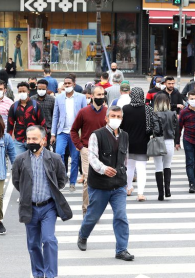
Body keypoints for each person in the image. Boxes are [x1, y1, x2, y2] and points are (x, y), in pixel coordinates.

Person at [12, 125, 72, 278]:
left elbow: (61, 179)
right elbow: (16, 181)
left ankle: (51, 275)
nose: (31, 141)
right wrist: (26, 192)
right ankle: (38, 273)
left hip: (48, 208)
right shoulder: (20, 160)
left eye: (35, 139)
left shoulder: (55, 158)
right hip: (29, 207)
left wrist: (52, 191)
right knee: (33, 244)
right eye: (29, 139)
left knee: (49, 240)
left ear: (43, 140)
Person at [77, 105, 134, 261]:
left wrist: (128, 180)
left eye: (119, 116)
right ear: (106, 118)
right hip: (100, 185)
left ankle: (121, 250)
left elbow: (126, 158)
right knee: (93, 216)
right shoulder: (97, 135)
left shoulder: (125, 136)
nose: (116, 119)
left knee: (121, 217)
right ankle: (83, 235)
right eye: (113, 116)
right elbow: (92, 158)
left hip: (119, 185)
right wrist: (103, 169)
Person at [71, 86, 107, 215]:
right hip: (87, 150)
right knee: (87, 179)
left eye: (102, 94)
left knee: (101, 180)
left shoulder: (107, 112)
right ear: (91, 96)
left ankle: (96, 209)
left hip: (103, 151)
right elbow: (74, 130)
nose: (101, 97)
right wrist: (80, 146)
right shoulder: (83, 112)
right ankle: (86, 209)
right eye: (98, 95)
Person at [51, 76, 87, 192]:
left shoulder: (81, 97)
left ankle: (72, 182)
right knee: (59, 154)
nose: (67, 85)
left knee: (75, 158)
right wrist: (53, 134)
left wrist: (84, 134)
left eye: (69, 83)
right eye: (65, 83)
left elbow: (85, 117)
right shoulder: (59, 98)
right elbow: (55, 116)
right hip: (62, 131)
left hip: (75, 133)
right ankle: (62, 177)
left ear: (74, 84)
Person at [121, 87, 158, 201]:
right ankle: (140, 193)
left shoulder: (125, 109)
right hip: (143, 143)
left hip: (128, 143)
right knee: (141, 169)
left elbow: (121, 126)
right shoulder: (148, 109)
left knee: (129, 167)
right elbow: (152, 127)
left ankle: (128, 188)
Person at [8, 82, 46, 155]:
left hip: (34, 139)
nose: (22, 93)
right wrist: (9, 140)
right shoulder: (14, 106)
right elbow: (10, 124)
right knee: (20, 162)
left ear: (28, 91)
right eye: (20, 91)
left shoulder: (36, 105)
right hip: (19, 141)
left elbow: (42, 123)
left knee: (34, 162)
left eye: (24, 91)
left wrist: (44, 138)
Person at [153, 93, 178, 201]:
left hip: (158, 141)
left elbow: (157, 130)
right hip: (170, 141)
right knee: (167, 165)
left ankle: (160, 193)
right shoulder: (173, 113)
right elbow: (176, 127)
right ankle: (167, 190)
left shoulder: (155, 114)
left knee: (158, 167)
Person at [31, 79, 55, 149]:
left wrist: (52, 131)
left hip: (47, 131)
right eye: (39, 89)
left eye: (43, 89)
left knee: (45, 150)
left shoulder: (52, 100)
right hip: (35, 129)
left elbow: (54, 116)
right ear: (36, 88)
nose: (41, 90)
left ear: (46, 89)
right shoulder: (32, 99)